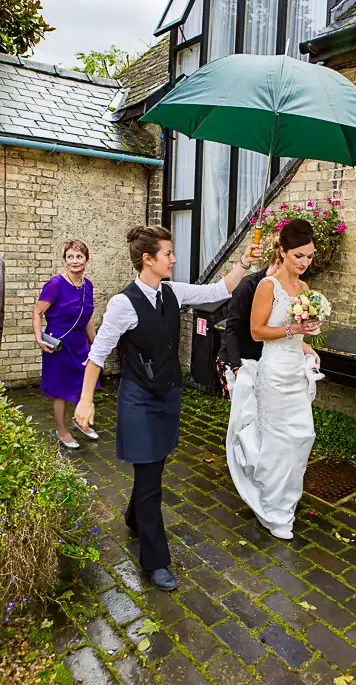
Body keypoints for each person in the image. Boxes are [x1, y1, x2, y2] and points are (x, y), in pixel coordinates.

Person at [74, 225, 261, 592]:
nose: (174, 259)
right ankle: (155, 562)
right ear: (148, 259)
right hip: (138, 400)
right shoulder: (123, 304)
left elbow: (218, 290)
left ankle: (133, 516)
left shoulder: (172, 292)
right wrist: (85, 399)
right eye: (168, 254)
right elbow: (97, 355)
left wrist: (243, 263)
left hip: (167, 396)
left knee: (154, 467)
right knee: (151, 483)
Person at [226, 219, 323, 540]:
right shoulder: (268, 286)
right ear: (282, 252)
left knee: (303, 437)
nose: (305, 263)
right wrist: (295, 330)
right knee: (279, 441)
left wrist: (308, 346)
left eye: (309, 256)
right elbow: (257, 331)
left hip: (296, 371)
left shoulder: (305, 290)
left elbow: (297, 333)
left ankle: (285, 502)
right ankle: (273, 507)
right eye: (299, 256)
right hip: (274, 373)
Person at [216, 243, 320, 400]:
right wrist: (237, 368)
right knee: (245, 414)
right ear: (278, 264)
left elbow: (280, 327)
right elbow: (232, 330)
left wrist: (304, 346)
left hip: (266, 361)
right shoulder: (246, 286)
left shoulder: (289, 288)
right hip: (239, 358)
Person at [32, 240, 98, 449]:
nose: (75, 261)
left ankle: (81, 422)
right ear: (64, 260)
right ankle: (62, 430)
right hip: (58, 344)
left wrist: (95, 344)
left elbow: (87, 317)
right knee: (61, 391)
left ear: (87, 261)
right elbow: (37, 312)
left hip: (80, 343)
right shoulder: (56, 284)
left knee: (82, 386)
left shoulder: (88, 285)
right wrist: (38, 338)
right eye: (70, 257)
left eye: (79, 257)